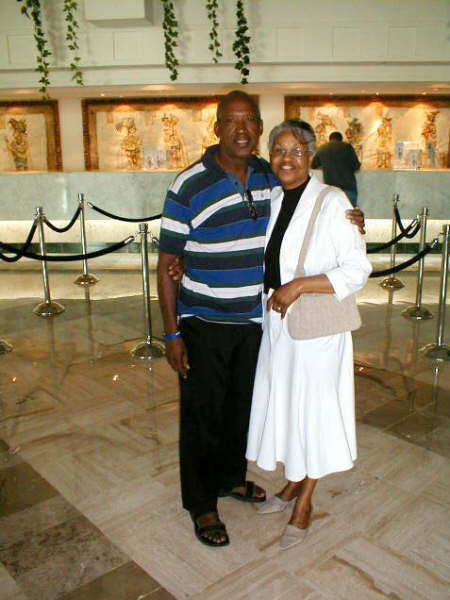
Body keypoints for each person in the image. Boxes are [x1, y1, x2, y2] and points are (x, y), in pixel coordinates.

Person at [157, 92, 365, 548]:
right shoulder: (188, 184)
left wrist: (352, 217)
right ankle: (202, 503)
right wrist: (172, 333)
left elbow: (314, 208)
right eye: (232, 121)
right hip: (205, 319)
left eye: (250, 120)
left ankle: (231, 479)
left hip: (258, 321)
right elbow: (168, 259)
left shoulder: (269, 176)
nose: (242, 130)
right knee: (202, 415)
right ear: (216, 127)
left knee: (241, 409)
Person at [246, 119, 372, 549]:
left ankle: (305, 503)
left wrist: (298, 286)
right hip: (279, 324)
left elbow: (357, 269)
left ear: (311, 156)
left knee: (313, 413)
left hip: (316, 328)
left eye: (296, 151)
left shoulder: (333, 200)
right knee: (288, 407)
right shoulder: (275, 198)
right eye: (279, 150)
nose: (287, 159)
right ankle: (291, 483)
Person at [311, 131, 361, 205]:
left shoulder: (322, 148)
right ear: (341, 139)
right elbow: (356, 166)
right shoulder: (347, 147)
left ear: (329, 139)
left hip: (331, 189)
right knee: (349, 210)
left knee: (332, 211)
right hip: (348, 187)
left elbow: (313, 165)